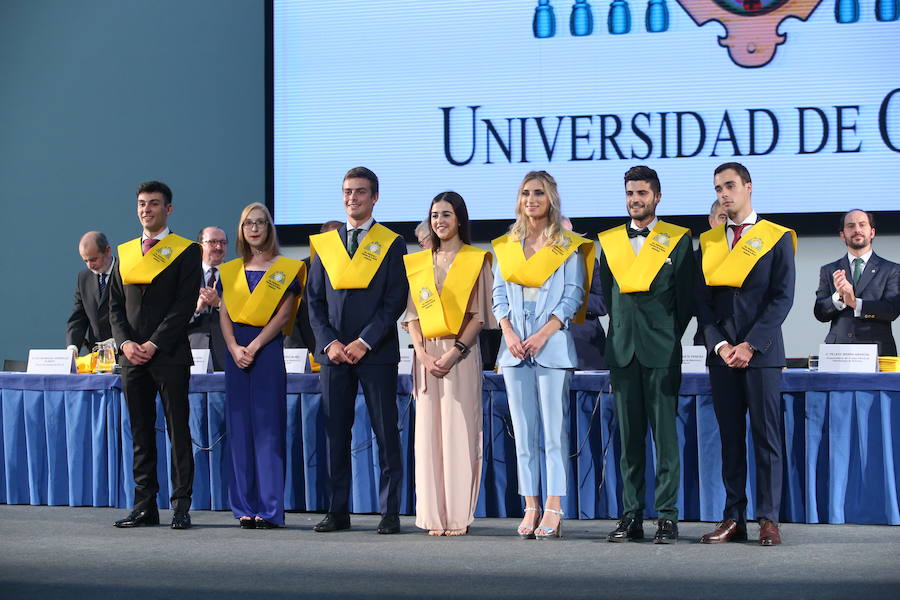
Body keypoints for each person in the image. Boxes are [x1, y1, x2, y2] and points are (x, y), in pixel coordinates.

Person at [696, 162, 796, 546]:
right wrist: (721, 345)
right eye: (718, 188)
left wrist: (750, 344)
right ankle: (733, 518)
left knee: (766, 438)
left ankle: (769, 519)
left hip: (762, 354)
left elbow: (781, 298)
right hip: (722, 356)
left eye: (730, 186)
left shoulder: (776, 237)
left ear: (748, 187)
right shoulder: (708, 242)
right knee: (730, 440)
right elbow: (703, 304)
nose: (724, 194)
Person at [307, 167, 409, 534]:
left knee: (385, 433)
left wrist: (364, 341)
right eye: (348, 191)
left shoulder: (392, 243)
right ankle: (337, 510)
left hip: (376, 353)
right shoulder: (327, 244)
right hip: (333, 355)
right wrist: (330, 342)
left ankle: (389, 512)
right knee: (336, 434)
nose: (352, 198)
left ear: (374, 197)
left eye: (360, 192)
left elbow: (395, 299)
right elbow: (314, 300)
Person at [598, 166, 694, 544]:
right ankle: (631, 515)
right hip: (623, 352)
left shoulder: (677, 240)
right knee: (630, 442)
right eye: (630, 193)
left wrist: (665, 335)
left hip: (662, 351)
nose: (635, 200)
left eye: (642, 193)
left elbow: (685, 300)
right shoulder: (611, 242)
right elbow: (609, 297)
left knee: (665, 441)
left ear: (657, 197)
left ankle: (667, 517)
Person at [492, 171, 589, 540]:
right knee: (523, 433)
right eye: (525, 193)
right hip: (514, 348)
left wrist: (543, 333)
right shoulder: (506, 246)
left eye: (538, 193)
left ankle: (553, 506)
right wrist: (509, 333)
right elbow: (498, 295)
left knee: (553, 432)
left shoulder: (566, 246)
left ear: (551, 199)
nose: (531, 199)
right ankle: (530, 505)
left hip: (552, 347)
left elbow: (573, 296)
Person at [108, 181, 202, 529]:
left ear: (168, 209)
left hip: (170, 355)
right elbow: (114, 306)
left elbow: (184, 305)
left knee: (178, 432)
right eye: (142, 204)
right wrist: (125, 344)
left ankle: (181, 505)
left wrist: (154, 343)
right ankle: (144, 505)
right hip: (132, 358)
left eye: (154, 203)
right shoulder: (125, 252)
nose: (146, 209)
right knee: (140, 432)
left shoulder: (186, 251)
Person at [402, 191, 496, 536]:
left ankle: (457, 516)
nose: (439, 221)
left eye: (446, 214)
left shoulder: (476, 259)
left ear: (459, 219)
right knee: (428, 439)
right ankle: (432, 516)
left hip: (460, 355)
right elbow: (412, 315)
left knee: (459, 433)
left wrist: (453, 353)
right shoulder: (419, 263)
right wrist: (423, 354)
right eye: (434, 215)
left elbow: (479, 316)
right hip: (426, 356)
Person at [219, 203, 304, 529]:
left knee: (268, 431)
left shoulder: (286, 268)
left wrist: (253, 346)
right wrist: (233, 347)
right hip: (236, 354)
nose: (254, 228)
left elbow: (284, 315)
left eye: (260, 223)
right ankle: (244, 506)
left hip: (266, 352)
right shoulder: (231, 271)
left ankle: (269, 509)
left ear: (269, 227)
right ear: (241, 230)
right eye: (248, 224)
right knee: (240, 430)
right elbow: (224, 314)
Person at [813, 210, 900, 356]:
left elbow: (891, 311)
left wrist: (855, 303)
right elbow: (820, 313)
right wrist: (839, 297)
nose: (857, 230)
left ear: (872, 232)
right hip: (838, 352)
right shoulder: (829, 270)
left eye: (862, 225)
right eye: (851, 226)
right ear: (843, 235)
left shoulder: (892, 269)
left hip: (877, 351)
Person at [285, 220, 342, 351]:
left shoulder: (356, 270)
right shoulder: (301, 269)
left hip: (348, 349)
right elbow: (291, 316)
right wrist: (297, 352)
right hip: (309, 348)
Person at [562, 217, 608, 370]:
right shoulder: (534, 267)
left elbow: (603, 303)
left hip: (586, 345)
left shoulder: (588, 262)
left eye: (570, 235)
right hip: (544, 344)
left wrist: (572, 299)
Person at [66, 231, 115, 354]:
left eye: (93, 259)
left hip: (125, 353)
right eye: (85, 261)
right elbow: (79, 316)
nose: (90, 265)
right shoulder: (84, 278)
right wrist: (73, 347)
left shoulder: (125, 272)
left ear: (107, 251)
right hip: (96, 355)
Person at [187, 226, 228, 370]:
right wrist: (197, 310)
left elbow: (244, 315)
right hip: (192, 351)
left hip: (226, 353)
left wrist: (219, 304)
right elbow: (174, 317)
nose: (219, 247)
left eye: (222, 243)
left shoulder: (237, 275)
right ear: (200, 245)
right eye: (213, 242)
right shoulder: (186, 276)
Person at [693, 200, 728, 346]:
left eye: (732, 218)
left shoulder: (751, 255)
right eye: (722, 217)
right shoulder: (696, 257)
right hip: (707, 338)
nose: (727, 223)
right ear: (711, 221)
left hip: (744, 342)